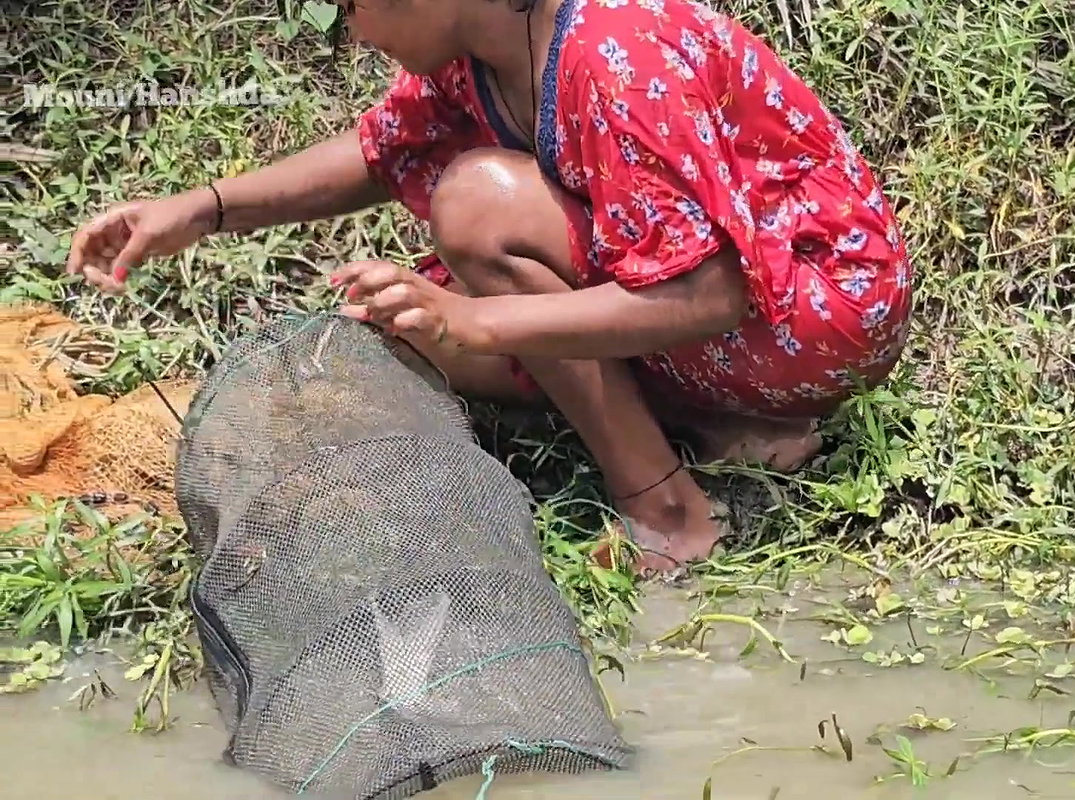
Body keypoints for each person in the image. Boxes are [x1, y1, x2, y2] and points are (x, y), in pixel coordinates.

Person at [65, 0, 914, 573]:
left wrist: (481, 318)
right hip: (722, 325)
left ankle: (669, 511)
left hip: (805, 315)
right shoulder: (484, 54)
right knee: (403, 327)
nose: (354, 31)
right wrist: (199, 210)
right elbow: (376, 151)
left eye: (352, 3)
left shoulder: (613, 47)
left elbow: (708, 295)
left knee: (474, 208)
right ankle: (728, 424)